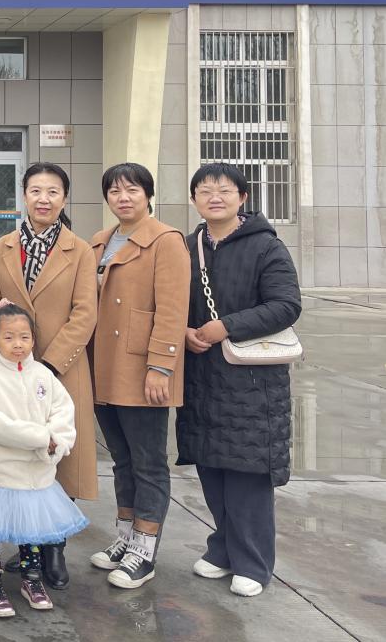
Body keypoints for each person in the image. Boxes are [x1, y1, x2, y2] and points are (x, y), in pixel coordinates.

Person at [178, 163, 301, 598]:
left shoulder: (266, 247)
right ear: (194, 199)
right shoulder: (188, 246)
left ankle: (253, 562)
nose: (214, 197)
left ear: (242, 198)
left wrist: (225, 327)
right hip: (202, 376)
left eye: (225, 190)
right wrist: (185, 331)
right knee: (211, 465)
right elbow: (173, 301)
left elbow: (286, 305)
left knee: (247, 471)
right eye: (205, 190)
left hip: (252, 381)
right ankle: (224, 549)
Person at [0, 162, 98, 589]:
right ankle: (26, 541)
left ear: (64, 198)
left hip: (61, 369)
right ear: (24, 195)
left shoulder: (79, 250)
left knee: (58, 454)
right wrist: (0, 327)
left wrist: (48, 365)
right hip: (12, 369)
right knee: (18, 456)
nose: (43, 199)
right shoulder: (3, 247)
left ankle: (54, 547)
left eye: (52, 192)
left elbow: (85, 314)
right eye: (35, 191)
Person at [89, 162, 191, 589]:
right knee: (122, 458)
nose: (123, 197)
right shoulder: (99, 241)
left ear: (148, 195)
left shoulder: (166, 241)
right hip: (104, 367)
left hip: (142, 368)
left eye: (132, 189)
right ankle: (126, 537)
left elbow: (172, 309)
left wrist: (160, 366)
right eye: (115, 191)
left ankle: (144, 551)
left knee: (148, 462)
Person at [0, 305, 88, 618]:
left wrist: (58, 441)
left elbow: (63, 413)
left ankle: (32, 579)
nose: (18, 344)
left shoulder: (43, 375)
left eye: (25, 337)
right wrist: (41, 437)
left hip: (37, 475)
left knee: (32, 530)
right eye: (9, 337)